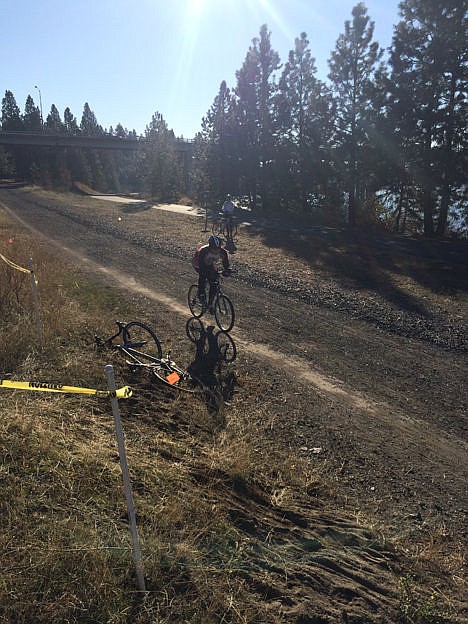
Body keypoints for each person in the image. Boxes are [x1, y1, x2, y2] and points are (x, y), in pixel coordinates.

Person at [193, 235, 231, 312]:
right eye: (214, 249)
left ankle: (210, 304)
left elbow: (225, 262)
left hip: (209, 263)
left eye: (218, 248)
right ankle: (201, 294)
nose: (216, 250)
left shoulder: (222, 252)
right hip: (198, 263)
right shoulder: (203, 251)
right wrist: (207, 272)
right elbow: (201, 265)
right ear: (210, 247)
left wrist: (227, 270)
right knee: (203, 275)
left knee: (214, 283)